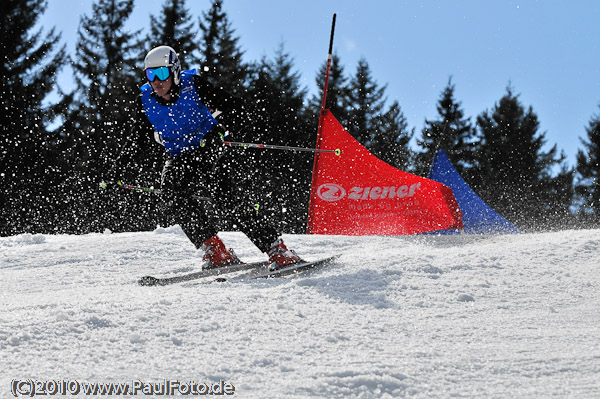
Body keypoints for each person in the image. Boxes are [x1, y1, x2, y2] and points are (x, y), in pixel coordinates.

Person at [106, 45, 302, 271]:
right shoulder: (145, 101)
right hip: (179, 154)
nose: (157, 81)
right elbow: (136, 141)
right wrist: (117, 170)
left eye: (162, 74)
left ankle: (277, 249)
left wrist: (226, 134)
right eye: (151, 75)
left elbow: (233, 107)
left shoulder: (193, 86)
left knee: (225, 197)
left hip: (206, 145)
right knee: (171, 193)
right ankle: (215, 249)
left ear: (175, 71)